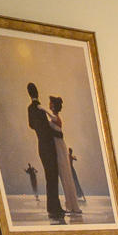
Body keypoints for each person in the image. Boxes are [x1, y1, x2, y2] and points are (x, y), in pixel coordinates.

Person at [25, 82, 72, 223]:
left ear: (29, 93)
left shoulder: (30, 108)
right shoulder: (40, 108)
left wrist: (40, 130)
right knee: (53, 177)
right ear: (37, 92)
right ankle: (54, 208)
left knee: (49, 177)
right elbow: (46, 128)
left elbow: (31, 125)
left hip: (41, 146)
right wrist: (58, 134)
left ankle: (52, 207)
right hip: (49, 146)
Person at [48, 96, 85, 219]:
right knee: (65, 177)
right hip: (58, 148)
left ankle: (72, 205)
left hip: (60, 149)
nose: (49, 104)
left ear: (53, 105)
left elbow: (55, 129)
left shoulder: (55, 118)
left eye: (50, 103)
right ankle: (71, 205)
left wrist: (41, 109)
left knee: (66, 176)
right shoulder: (54, 118)